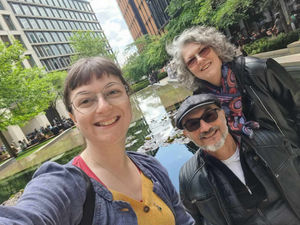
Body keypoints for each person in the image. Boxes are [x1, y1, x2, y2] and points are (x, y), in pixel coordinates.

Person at [0, 57, 194, 225]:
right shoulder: (65, 185)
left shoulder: (151, 167)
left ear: (128, 97)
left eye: (112, 92)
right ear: (73, 117)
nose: (103, 107)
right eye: (86, 101)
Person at [176, 93, 300, 225]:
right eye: (193, 124)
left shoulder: (270, 143)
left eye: (209, 116)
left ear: (223, 114)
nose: (205, 128)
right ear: (187, 134)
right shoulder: (189, 179)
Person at [166, 25, 300, 146]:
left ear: (216, 49)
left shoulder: (259, 70)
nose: (200, 60)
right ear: (188, 70)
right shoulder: (202, 102)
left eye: (203, 51)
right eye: (192, 60)